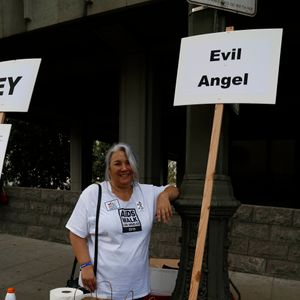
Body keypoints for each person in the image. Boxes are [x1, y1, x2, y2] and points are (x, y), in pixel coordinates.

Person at [66, 142, 180, 299]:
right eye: (117, 163)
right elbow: (75, 233)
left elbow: (174, 188)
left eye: (128, 163)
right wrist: (85, 265)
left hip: (138, 290)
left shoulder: (146, 193)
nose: (124, 168)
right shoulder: (94, 193)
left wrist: (164, 195)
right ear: (109, 169)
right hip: (100, 290)